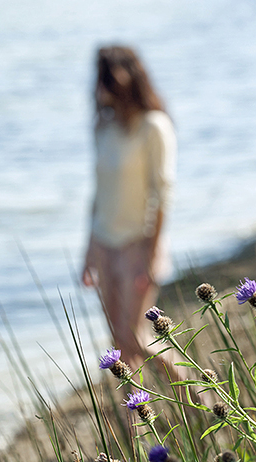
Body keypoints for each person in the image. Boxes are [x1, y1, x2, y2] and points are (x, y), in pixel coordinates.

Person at [82, 45, 176, 368]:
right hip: (104, 244)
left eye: (106, 79)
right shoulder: (102, 129)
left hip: (138, 245)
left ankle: (203, 400)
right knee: (119, 348)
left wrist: (150, 255)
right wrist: (88, 252)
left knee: (138, 338)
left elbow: (162, 193)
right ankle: (137, 417)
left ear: (124, 81)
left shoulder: (154, 126)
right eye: (99, 79)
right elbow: (99, 194)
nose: (99, 88)